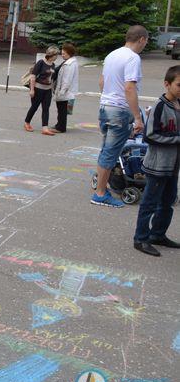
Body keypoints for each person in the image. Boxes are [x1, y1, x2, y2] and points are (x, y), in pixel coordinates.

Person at [92, 25, 148, 208]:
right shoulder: (133, 58)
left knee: (106, 149)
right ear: (141, 39)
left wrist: (107, 98)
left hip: (106, 107)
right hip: (120, 111)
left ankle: (101, 187)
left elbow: (102, 81)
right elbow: (129, 87)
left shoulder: (112, 55)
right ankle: (100, 194)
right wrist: (137, 117)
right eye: (145, 41)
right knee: (111, 152)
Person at [132, 65, 180, 256]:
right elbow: (150, 136)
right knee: (149, 203)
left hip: (173, 166)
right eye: (179, 85)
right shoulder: (160, 106)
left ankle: (158, 234)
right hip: (158, 165)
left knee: (168, 202)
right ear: (167, 84)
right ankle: (140, 238)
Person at [24, 46, 60, 136]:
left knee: (46, 109)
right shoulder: (41, 63)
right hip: (38, 89)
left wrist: (52, 89)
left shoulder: (52, 64)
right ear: (52, 55)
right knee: (34, 107)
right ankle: (27, 122)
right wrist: (32, 90)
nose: (57, 57)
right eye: (56, 55)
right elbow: (33, 76)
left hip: (47, 90)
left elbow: (51, 78)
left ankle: (45, 128)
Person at [53, 42, 79, 133]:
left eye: (64, 53)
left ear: (69, 53)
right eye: (62, 53)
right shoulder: (68, 62)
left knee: (62, 110)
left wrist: (62, 92)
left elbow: (67, 80)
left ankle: (61, 127)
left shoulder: (70, 64)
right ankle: (58, 124)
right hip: (64, 91)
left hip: (65, 91)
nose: (62, 55)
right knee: (60, 109)